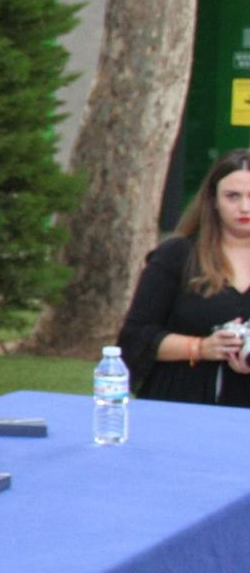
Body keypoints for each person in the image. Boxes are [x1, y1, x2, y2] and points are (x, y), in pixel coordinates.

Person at [117, 148, 250, 406]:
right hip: (182, 403)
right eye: (233, 196)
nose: (244, 206)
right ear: (213, 200)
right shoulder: (177, 255)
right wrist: (201, 348)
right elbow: (135, 337)